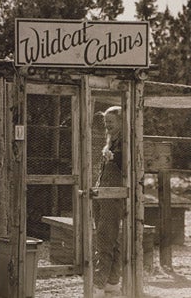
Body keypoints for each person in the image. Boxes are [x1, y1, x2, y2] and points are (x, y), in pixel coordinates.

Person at [93, 106, 124, 298]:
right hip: (102, 193)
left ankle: (98, 284)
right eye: (106, 123)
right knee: (110, 239)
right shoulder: (110, 142)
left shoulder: (126, 143)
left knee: (105, 239)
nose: (108, 125)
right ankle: (113, 282)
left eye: (111, 122)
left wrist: (114, 157)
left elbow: (128, 165)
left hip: (113, 195)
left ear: (121, 122)